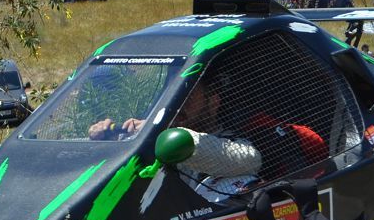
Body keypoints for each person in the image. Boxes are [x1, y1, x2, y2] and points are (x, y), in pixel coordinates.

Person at [88, 76, 262, 201]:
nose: (180, 103)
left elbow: (251, 159)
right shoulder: (154, 135)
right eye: (176, 95)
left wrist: (168, 135)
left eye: (190, 95)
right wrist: (105, 141)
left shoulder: (232, 142)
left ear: (213, 101)